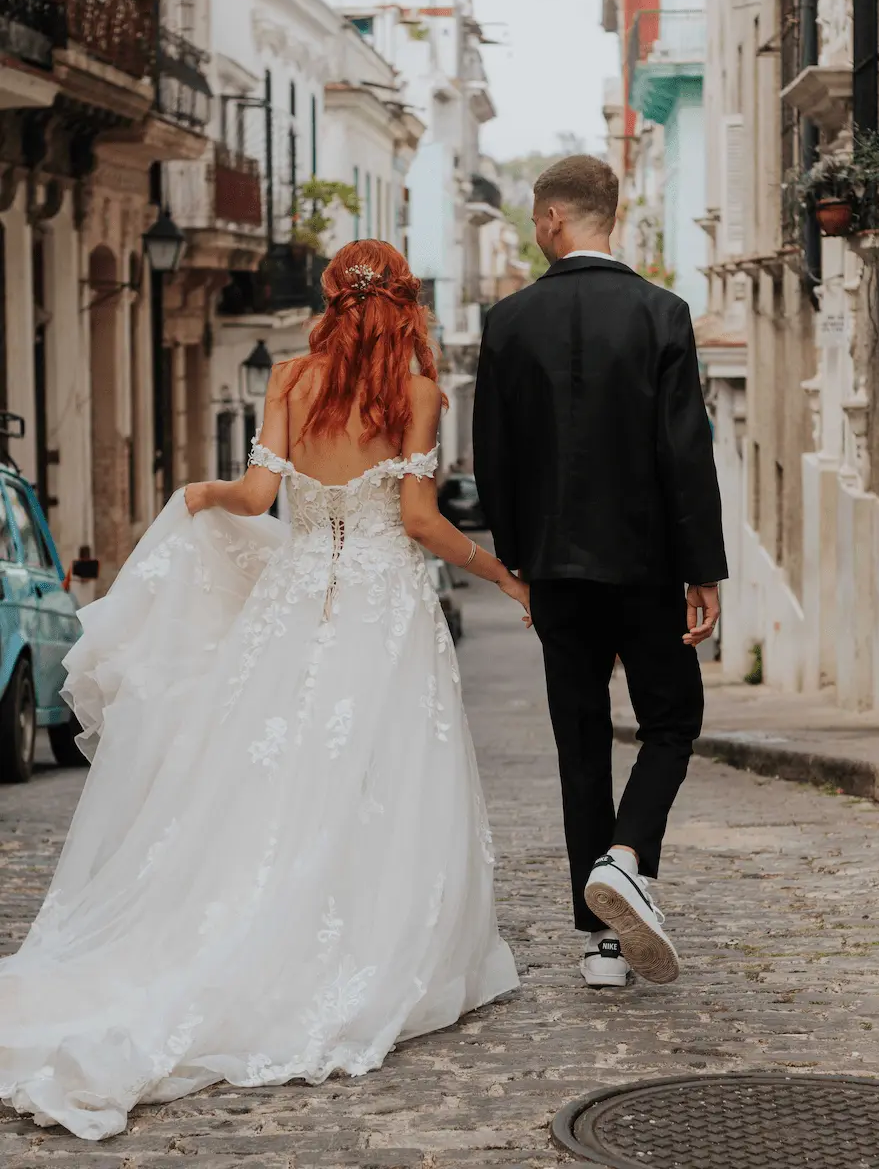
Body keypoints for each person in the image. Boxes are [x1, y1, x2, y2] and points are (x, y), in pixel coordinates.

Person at [0, 241, 524, 1141]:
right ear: (403, 304)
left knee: (263, 773)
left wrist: (196, 497)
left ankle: (245, 921)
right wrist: (503, 574)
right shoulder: (417, 393)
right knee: (378, 776)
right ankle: (354, 937)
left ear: (331, 299)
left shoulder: (289, 377)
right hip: (381, 606)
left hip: (293, 605)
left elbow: (252, 497)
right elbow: (417, 520)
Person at [473, 156, 727, 990]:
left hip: (555, 572)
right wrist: (702, 569)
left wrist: (519, 560)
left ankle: (603, 946)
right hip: (648, 565)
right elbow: (685, 451)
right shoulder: (663, 313)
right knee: (671, 722)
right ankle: (625, 858)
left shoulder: (507, 323)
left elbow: (495, 459)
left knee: (579, 743)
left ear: (551, 219)